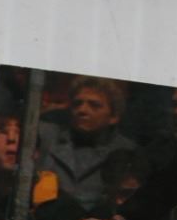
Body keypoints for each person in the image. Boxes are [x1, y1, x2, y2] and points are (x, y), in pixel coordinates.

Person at [35, 77, 139, 207]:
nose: (82, 110)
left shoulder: (127, 151)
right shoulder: (48, 135)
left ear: (114, 116)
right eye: (77, 104)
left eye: (94, 105)